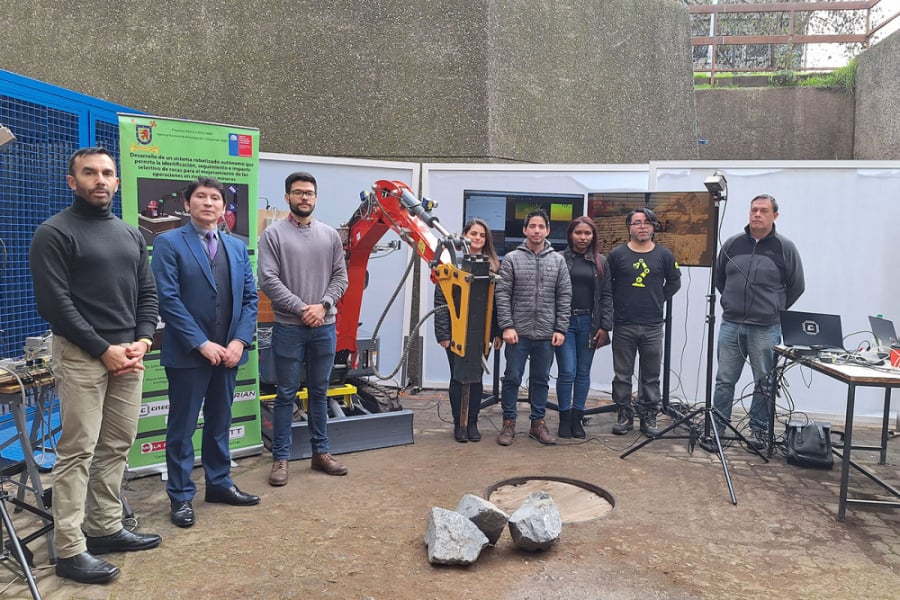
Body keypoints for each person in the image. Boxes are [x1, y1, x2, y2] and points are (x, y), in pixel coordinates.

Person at [29, 147, 161, 584]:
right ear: (72, 181)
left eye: (107, 173)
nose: (99, 180)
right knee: (77, 452)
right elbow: (55, 304)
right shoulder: (54, 233)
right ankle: (69, 549)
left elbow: (147, 294)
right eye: (89, 173)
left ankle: (104, 528)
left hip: (128, 355)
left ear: (117, 182)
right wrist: (103, 348)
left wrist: (142, 340)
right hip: (82, 355)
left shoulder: (130, 234)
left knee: (116, 447)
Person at [151, 177, 260, 529]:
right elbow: (167, 299)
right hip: (188, 354)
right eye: (201, 197)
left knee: (219, 422)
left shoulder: (237, 247)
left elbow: (249, 299)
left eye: (216, 198)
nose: (209, 203)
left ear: (225, 208)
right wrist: (202, 343)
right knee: (182, 428)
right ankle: (181, 496)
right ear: (187, 204)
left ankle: (219, 483)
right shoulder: (168, 243)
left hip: (228, 353)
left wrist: (238, 342)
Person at [258, 171, 349, 485]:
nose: (304, 197)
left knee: (320, 393)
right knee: (286, 394)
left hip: (325, 327)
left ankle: (320, 453)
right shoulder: (273, 236)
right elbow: (268, 280)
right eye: (298, 193)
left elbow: (341, 278)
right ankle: (280, 459)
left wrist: (322, 305)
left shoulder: (330, 236)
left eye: (309, 193)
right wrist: (301, 308)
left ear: (316, 197)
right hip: (289, 327)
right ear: (287, 198)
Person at [712, 194, 804, 451]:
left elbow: (797, 286)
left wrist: (774, 309)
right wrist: (733, 303)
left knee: (764, 381)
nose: (757, 215)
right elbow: (721, 279)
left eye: (763, 211)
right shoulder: (732, 244)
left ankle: (759, 431)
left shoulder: (785, 248)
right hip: (731, 324)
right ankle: (718, 427)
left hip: (765, 327)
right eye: (753, 210)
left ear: (775, 215)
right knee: (724, 380)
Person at [495, 209, 572, 446]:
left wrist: (560, 328)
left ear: (547, 230)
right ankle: (508, 424)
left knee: (540, 380)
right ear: (525, 230)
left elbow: (565, 295)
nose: (537, 230)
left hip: (547, 334)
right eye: (532, 226)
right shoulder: (511, 259)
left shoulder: (558, 260)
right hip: (517, 333)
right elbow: (502, 294)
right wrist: (507, 326)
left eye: (541, 226)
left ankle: (537, 424)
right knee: (512, 378)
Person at [608, 208, 681, 437]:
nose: (642, 226)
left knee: (651, 375)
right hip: (623, 324)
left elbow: (674, 283)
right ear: (629, 227)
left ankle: (649, 415)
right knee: (622, 374)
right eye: (637, 222)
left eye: (647, 223)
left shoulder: (665, 255)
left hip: (652, 325)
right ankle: (624, 413)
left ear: (653, 227)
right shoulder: (617, 254)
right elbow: (607, 286)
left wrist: (658, 298)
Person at [433, 218, 501, 442]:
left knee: (476, 378)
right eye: (473, 233)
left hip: (481, 333)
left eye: (482, 235)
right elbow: (441, 300)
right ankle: (458, 424)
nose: (478, 238)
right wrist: (443, 334)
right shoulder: (451, 264)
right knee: (458, 377)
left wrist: (497, 332)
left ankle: (472, 422)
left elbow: (498, 303)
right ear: (464, 235)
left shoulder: (493, 266)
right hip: (456, 331)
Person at [555, 216, 613, 438]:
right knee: (567, 371)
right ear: (570, 234)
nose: (583, 237)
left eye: (587, 233)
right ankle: (564, 418)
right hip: (564, 323)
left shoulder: (601, 261)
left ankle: (577, 418)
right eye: (578, 233)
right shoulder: (558, 259)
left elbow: (606, 295)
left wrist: (604, 326)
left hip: (589, 323)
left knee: (583, 372)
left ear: (593, 236)